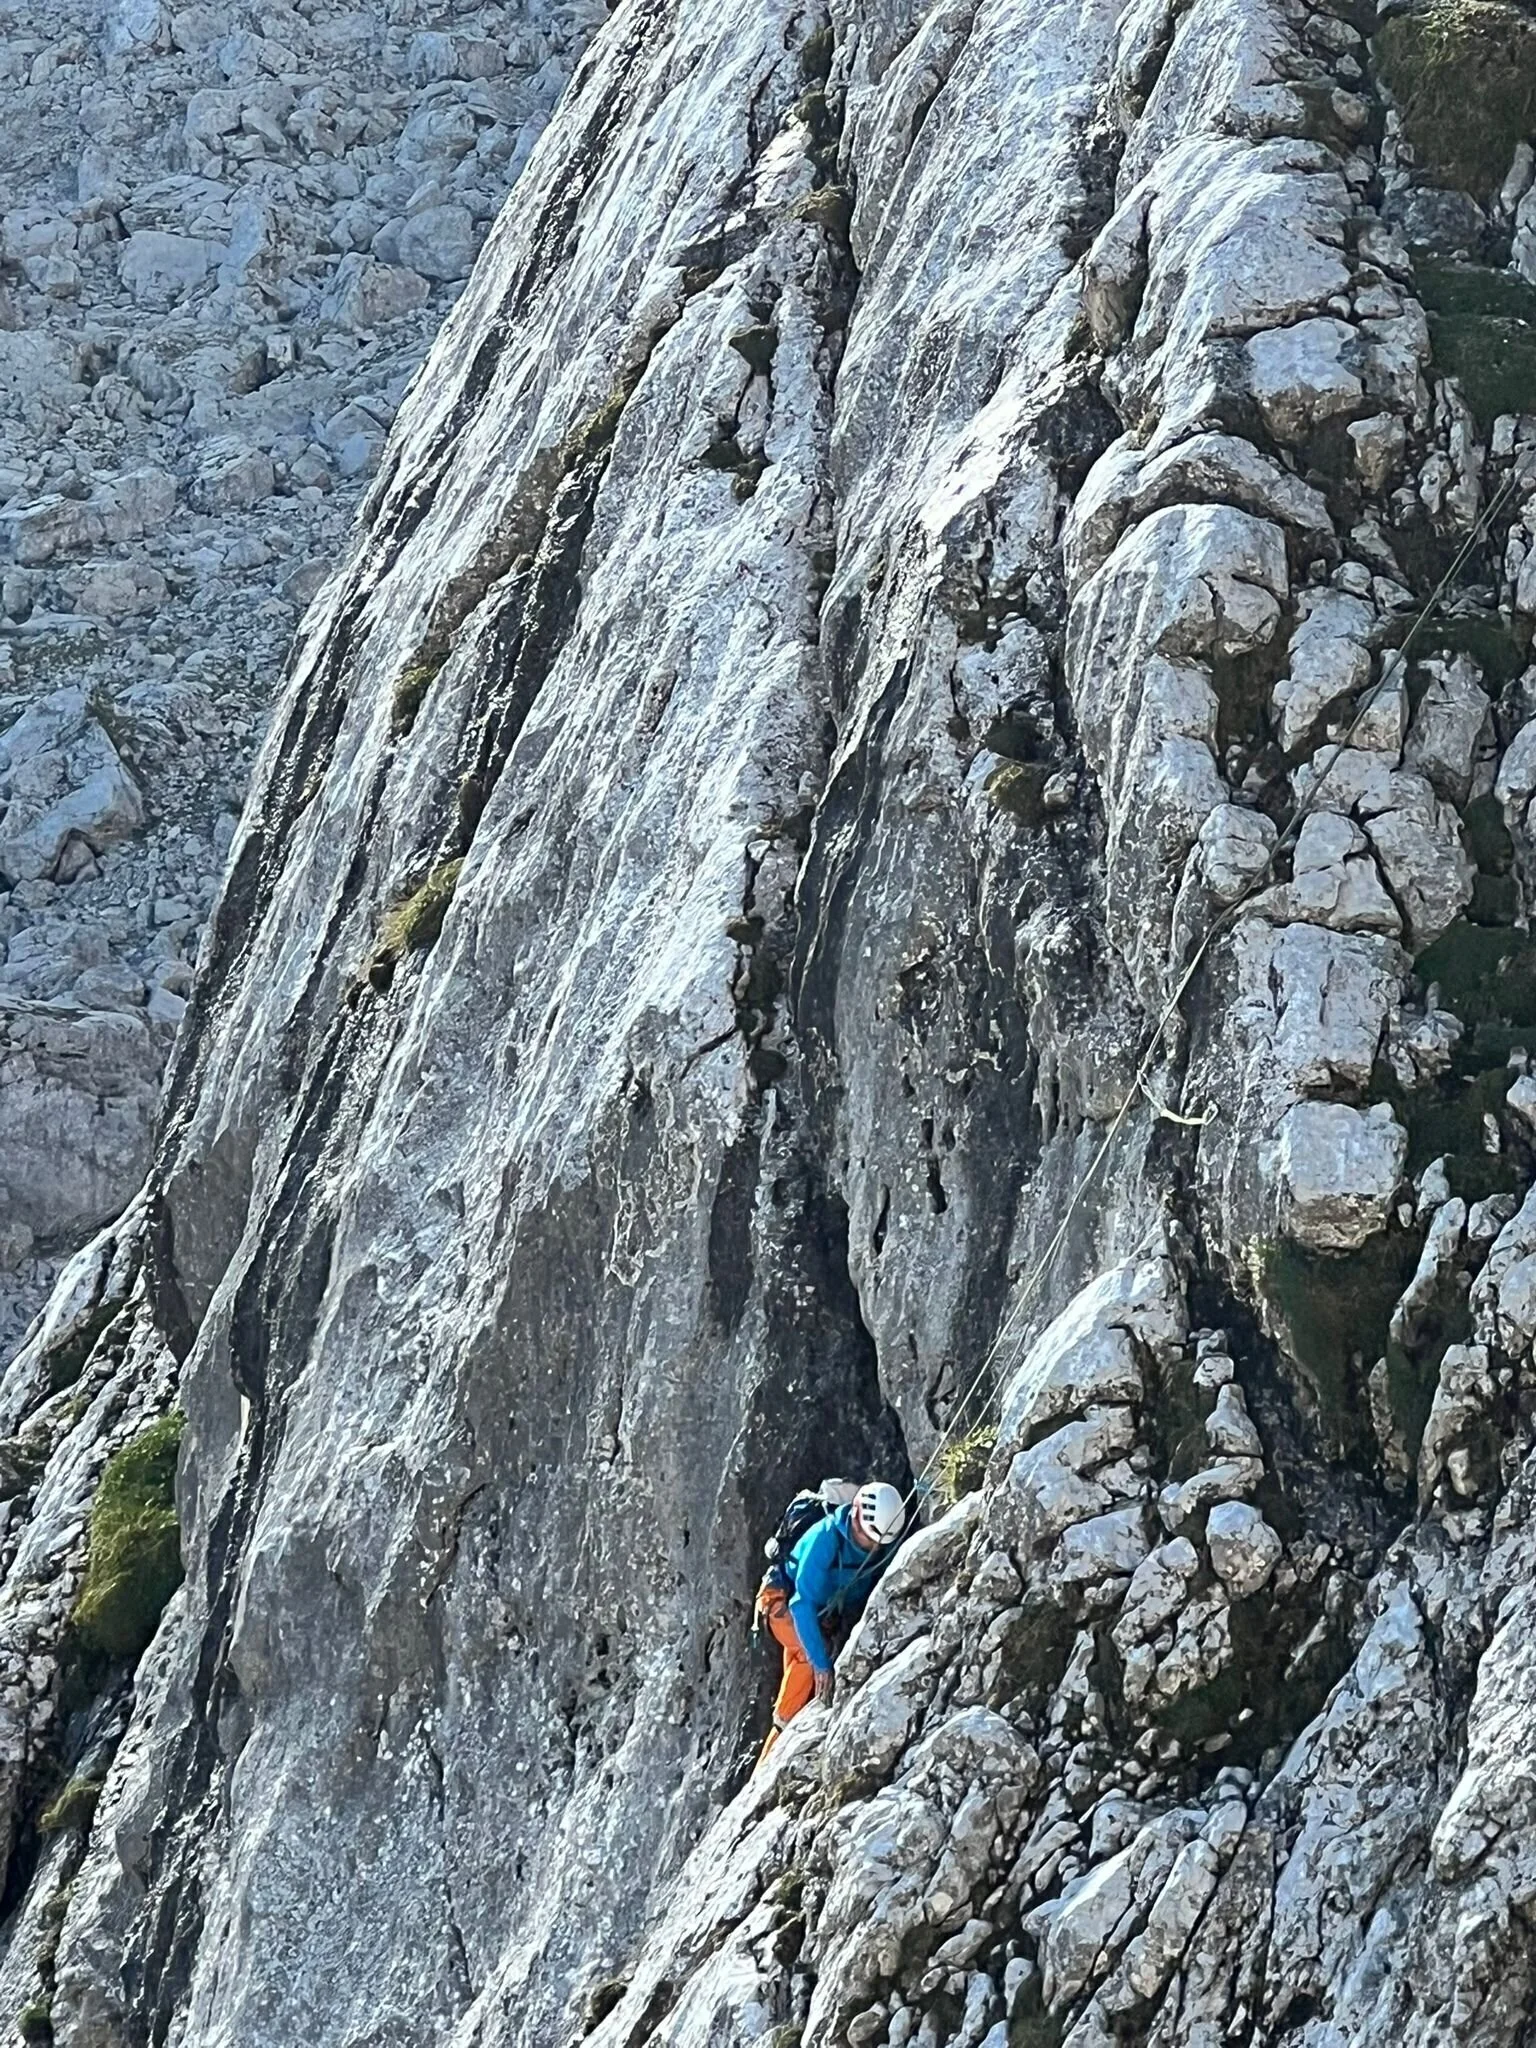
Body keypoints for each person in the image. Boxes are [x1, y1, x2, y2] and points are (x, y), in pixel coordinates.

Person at [756, 1479, 907, 1756]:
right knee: (806, 1658)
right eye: (863, 1532)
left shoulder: (880, 1550)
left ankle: (776, 1745)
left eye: (874, 1541)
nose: (866, 1543)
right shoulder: (825, 1536)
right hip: (781, 1599)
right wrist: (822, 1665)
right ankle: (775, 1749)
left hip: (819, 1613)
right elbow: (801, 1604)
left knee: (799, 1686)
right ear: (856, 1509)